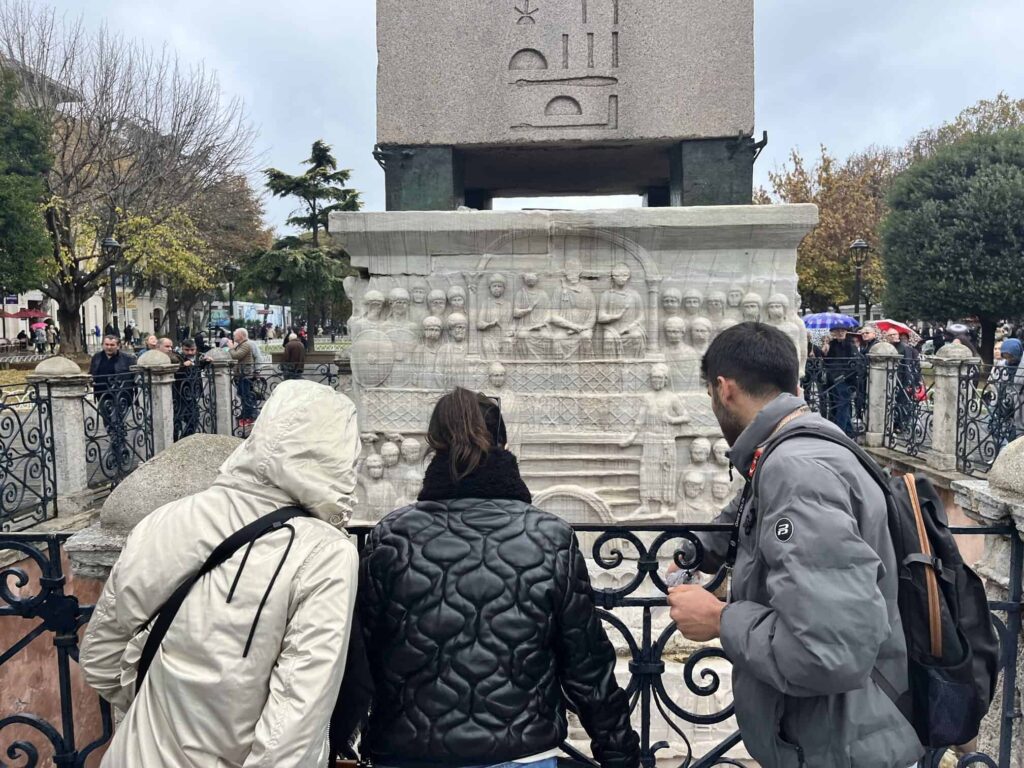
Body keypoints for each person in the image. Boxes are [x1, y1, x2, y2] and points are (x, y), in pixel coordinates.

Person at [666, 322, 921, 768]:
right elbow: (756, 510)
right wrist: (696, 548)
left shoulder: (796, 469)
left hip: (841, 745)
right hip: (836, 737)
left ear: (723, 390)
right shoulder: (799, 442)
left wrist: (720, 619)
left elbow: (826, 652)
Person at [352, 388, 640, 768]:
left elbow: (361, 659)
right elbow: (586, 665)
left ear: (433, 445)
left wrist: (344, 739)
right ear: (502, 443)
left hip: (409, 750)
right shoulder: (550, 537)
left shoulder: (391, 536)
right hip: (520, 752)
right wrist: (618, 753)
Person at [81, 381, 362, 768]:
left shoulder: (165, 520)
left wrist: (161, 718)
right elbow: (296, 721)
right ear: (342, 455)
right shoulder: (325, 554)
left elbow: (99, 658)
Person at [89, 335, 137, 433]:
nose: (109, 347)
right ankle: (116, 442)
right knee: (107, 421)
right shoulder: (97, 357)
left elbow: (135, 376)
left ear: (118, 346)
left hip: (121, 394)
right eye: (106, 344)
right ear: (103, 345)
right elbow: (92, 372)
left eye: (112, 345)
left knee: (117, 421)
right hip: (102, 394)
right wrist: (90, 380)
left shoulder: (128, 359)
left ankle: (119, 445)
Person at [823, 325, 858, 437]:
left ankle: (839, 431)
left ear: (846, 332)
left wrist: (843, 375)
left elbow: (854, 364)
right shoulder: (832, 345)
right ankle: (849, 430)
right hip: (833, 379)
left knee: (842, 405)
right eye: (837, 331)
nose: (840, 333)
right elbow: (827, 362)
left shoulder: (850, 345)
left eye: (843, 331)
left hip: (845, 380)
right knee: (838, 404)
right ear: (834, 333)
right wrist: (825, 350)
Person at [228, 328, 259, 427]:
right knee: (242, 394)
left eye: (235, 335)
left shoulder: (246, 345)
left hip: (246, 375)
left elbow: (236, 356)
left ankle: (250, 416)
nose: (233, 336)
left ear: (241, 335)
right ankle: (245, 414)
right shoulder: (242, 345)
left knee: (246, 396)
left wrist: (231, 347)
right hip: (242, 374)